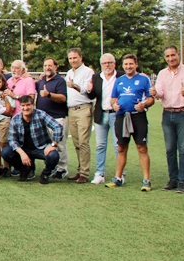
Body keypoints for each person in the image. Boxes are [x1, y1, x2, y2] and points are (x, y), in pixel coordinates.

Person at [106, 54, 154, 191]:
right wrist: (114, 105)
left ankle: (146, 180)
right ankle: (118, 178)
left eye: (131, 64)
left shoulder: (144, 79)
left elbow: (151, 99)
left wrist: (143, 105)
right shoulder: (119, 80)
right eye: (126, 64)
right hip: (121, 117)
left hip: (138, 117)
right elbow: (113, 99)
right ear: (123, 66)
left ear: (136, 64)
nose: (128, 66)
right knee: (121, 148)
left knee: (142, 148)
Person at [151, 45, 184, 193]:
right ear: (165, 58)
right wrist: (155, 93)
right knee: (169, 149)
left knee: (183, 149)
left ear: (178, 54)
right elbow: (160, 92)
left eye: (173, 55)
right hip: (167, 114)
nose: (171, 58)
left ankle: (182, 181)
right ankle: (173, 180)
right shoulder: (162, 73)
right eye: (167, 56)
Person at [1, 95, 63, 184]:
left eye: (28, 105)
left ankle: (45, 174)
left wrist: (54, 144)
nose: (25, 108)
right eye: (23, 105)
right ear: (20, 106)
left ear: (33, 105)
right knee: (5, 152)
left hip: (41, 148)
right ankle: (25, 170)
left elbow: (58, 127)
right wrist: (22, 153)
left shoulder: (41, 114)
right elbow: (12, 139)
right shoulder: (15, 119)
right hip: (24, 149)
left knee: (54, 155)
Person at [86, 54, 121, 185]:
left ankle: (120, 174)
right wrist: (89, 90)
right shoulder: (96, 77)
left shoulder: (121, 76)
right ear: (101, 65)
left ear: (114, 63)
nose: (107, 65)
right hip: (101, 115)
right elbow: (92, 95)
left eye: (110, 62)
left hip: (117, 115)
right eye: (104, 63)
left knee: (118, 145)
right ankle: (99, 173)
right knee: (100, 145)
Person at [64, 48, 95, 184]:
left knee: (83, 142)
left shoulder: (88, 72)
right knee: (76, 142)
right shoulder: (70, 72)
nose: (72, 61)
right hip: (72, 110)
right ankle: (80, 169)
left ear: (81, 57)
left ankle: (85, 173)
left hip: (83, 108)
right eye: (70, 58)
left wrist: (74, 85)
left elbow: (87, 90)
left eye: (75, 58)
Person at [35, 58, 68, 179]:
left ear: (56, 67)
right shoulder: (42, 80)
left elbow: (63, 98)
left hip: (57, 117)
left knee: (59, 145)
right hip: (43, 119)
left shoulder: (60, 81)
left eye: (50, 65)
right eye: (45, 65)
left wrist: (49, 95)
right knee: (47, 145)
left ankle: (61, 169)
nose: (47, 67)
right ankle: (51, 167)